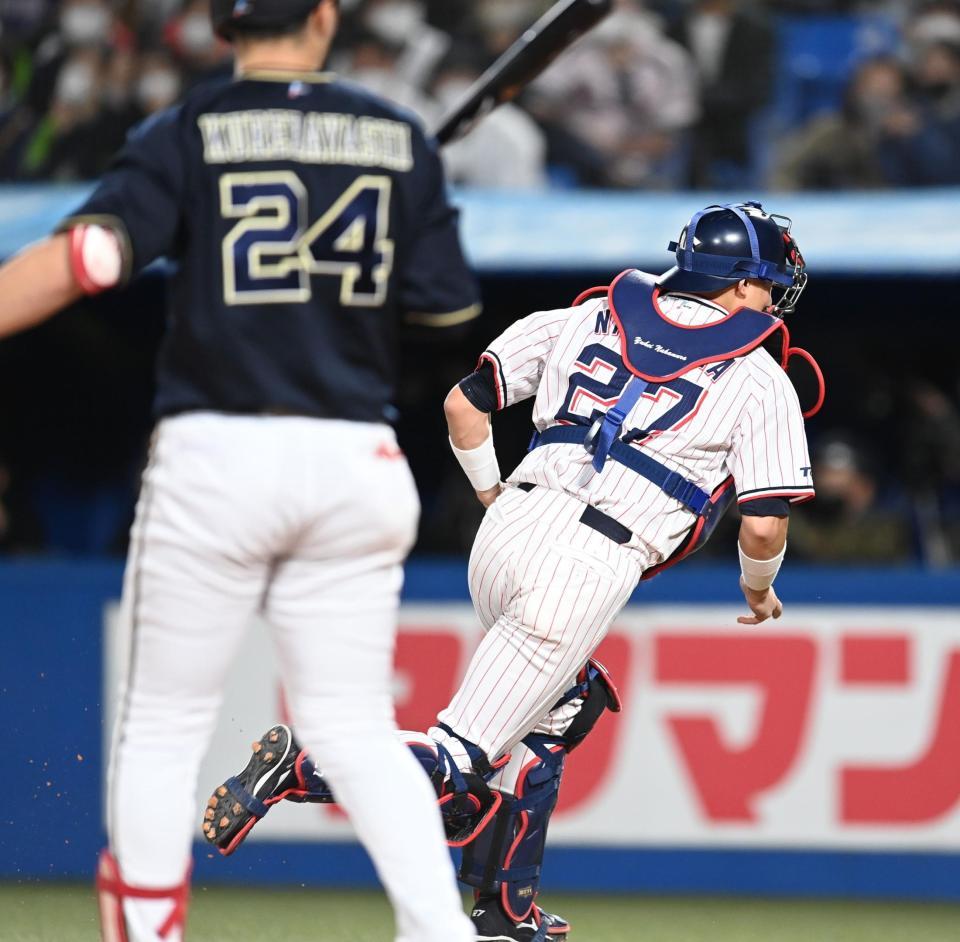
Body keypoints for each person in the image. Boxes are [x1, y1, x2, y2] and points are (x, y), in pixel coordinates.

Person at [204, 201, 818, 942]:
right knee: (457, 760)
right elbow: (762, 521)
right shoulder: (758, 377)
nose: (771, 297)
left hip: (506, 530)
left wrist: (494, 497)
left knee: (564, 709)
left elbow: (465, 408)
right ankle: (303, 766)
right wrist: (759, 588)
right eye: (764, 282)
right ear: (736, 284)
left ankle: (505, 911)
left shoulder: (582, 317)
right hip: (592, 557)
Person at [0, 1, 482, 940]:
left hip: (218, 454)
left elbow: (91, 260)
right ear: (327, 18)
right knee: (350, 726)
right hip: (356, 457)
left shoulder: (187, 129)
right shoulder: (397, 138)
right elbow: (442, 312)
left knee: (164, 725)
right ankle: (441, 931)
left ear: (224, 27)